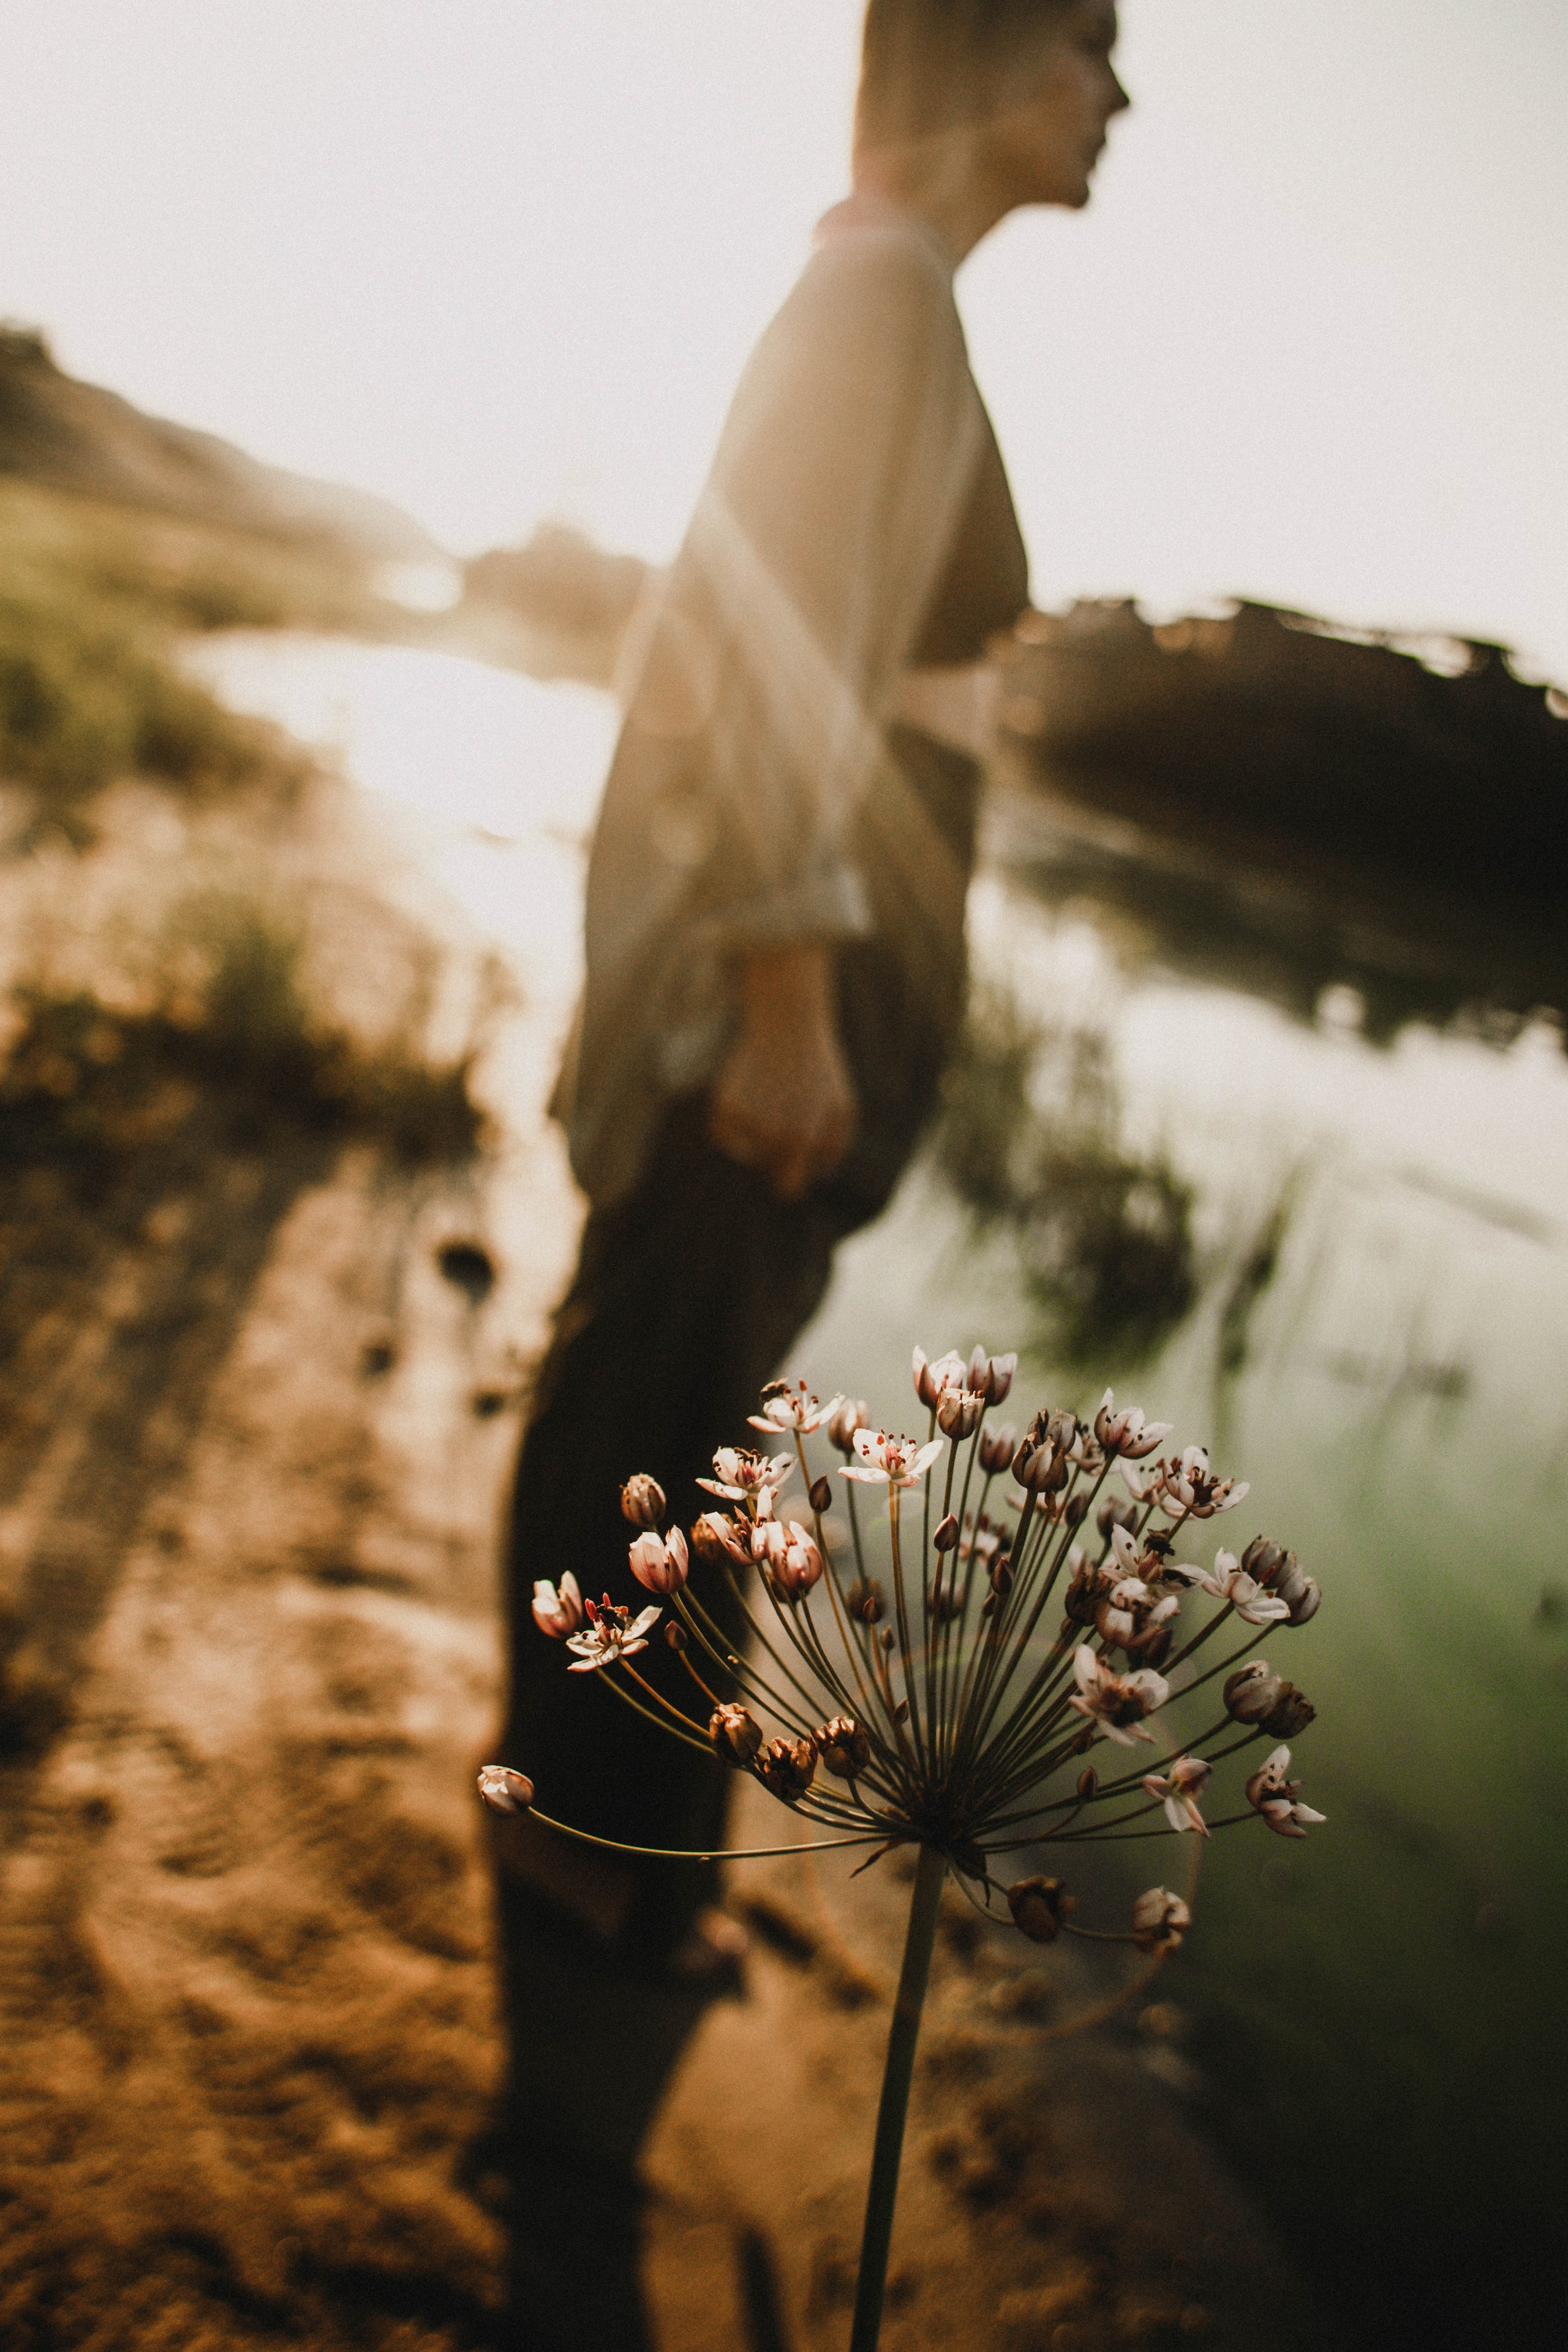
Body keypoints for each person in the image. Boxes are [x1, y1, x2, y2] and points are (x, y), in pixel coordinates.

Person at [492, 13, 1128, 2324]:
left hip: (793, 1029)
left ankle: (609, 1959)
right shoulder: (881, 299)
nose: (1120, 101)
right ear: (978, 48)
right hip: (764, 1039)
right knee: (648, 1487)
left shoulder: (882, 296)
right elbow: (763, 645)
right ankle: (570, 2052)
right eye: (1095, 46)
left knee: (676, 1465)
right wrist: (782, 992)